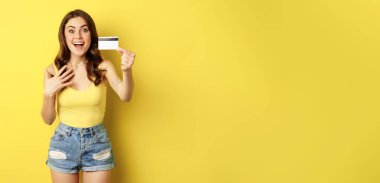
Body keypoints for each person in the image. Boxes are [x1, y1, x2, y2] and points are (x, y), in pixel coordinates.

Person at [41, 9, 135, 183]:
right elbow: (48, 119)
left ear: (91, 35)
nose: (78, 36)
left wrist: (127, 71)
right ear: (64, 36)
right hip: (63, 142)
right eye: (71, 30)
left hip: (97, 143)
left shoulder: (103, 66)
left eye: (84, 30)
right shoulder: (53, 70)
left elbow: (125, 95)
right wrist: (48, 93)